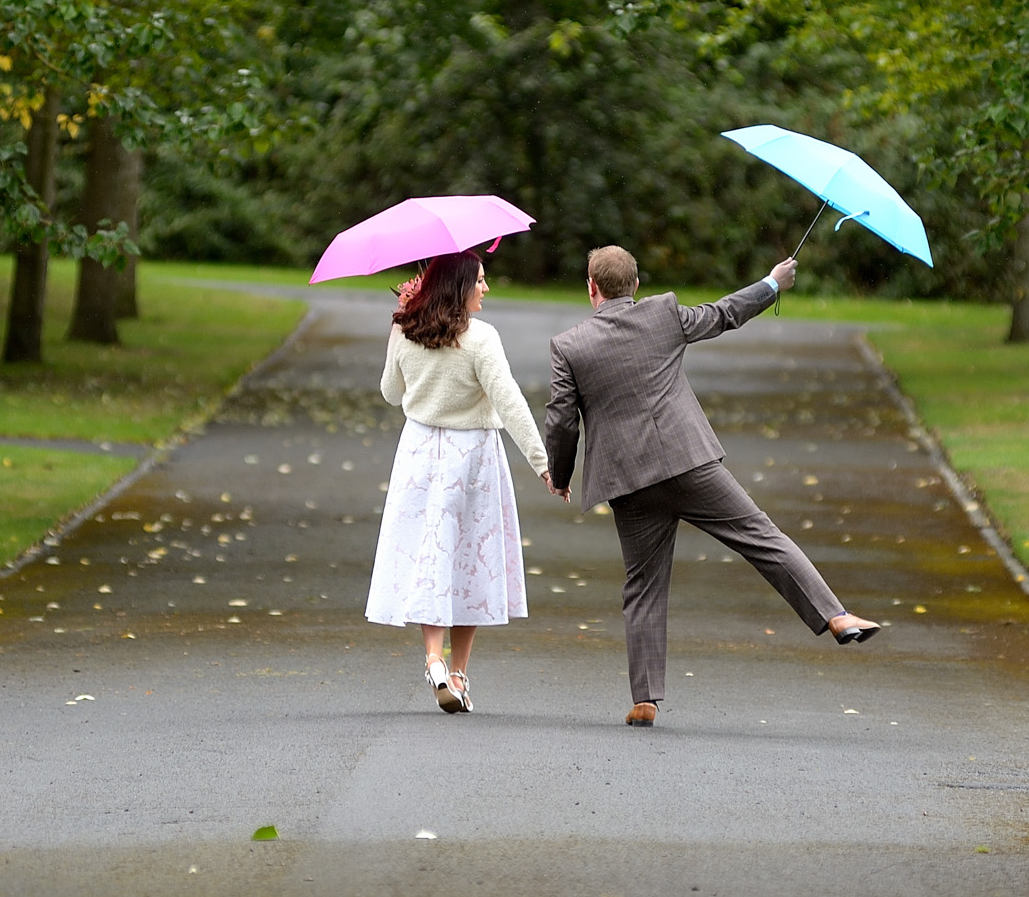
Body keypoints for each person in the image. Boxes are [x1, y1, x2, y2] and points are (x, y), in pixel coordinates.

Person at [544, 245, 879, 726]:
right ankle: (836, 616)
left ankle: (645, 699)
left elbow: (561, 420)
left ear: (591, 288)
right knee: (761, 537)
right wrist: (772, 283)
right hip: (689, 462)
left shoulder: (569, 345)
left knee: (643, 585)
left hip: (628, 482)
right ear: (636, 286)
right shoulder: (663, 313)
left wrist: (560, 474)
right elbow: (724, 314)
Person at [368, 250, 553, 713]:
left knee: (432, 554)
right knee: (469, 557)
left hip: (418, 453)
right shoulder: (481, 339)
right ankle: (459, 673)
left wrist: (401, 333)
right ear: (460, 287)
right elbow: (508, 402)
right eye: (480, 281)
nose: (486, 289)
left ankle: (433, 658)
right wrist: (543, 463)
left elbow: (392, 393)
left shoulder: (405, 329)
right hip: (470, 459)